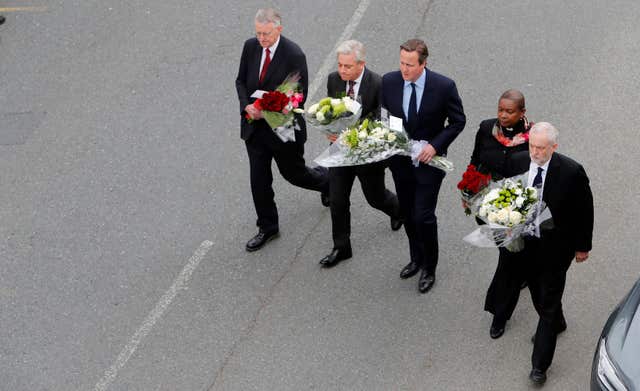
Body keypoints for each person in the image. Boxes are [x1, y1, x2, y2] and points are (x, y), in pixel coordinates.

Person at [235, 8, 330, 252]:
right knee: (259, 179)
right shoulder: (250, 47)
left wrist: (265, 107)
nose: (262, 39)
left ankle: (326, 182)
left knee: (295, 174)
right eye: (258, 33)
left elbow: (298, 95)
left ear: (279, 29)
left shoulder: (294, 54)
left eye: (266, 33)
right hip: (255, 129)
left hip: (283, 130)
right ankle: (267, 226)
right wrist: (247, 105)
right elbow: (241, 81)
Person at [510, 122, 593, 385]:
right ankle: (558, 322)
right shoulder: (518, 162)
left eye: (541, 148)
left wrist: (583, 246)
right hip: (528, 245)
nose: (535, 152)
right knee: (536, 291)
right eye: (532, 146)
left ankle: (539, 366)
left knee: (548, 300)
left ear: (554, 147)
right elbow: (505, 195)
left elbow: (585, 210)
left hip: (558, 249)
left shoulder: (571, 171)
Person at [381, 39, 466, 293]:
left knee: (424, 216)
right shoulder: (389, 81)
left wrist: (434, 146)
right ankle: (416, 257)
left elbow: (457, 121)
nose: (404, 69)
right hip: (400, 160)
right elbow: (384, 114)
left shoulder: (443, 86)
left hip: (429, 162)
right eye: (402, 63)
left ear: (423, 63)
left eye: (410, 64)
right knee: (407, 211)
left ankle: (430, 266)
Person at [318, 40, 402, 268]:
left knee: (374, 197)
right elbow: (331, 109)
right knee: (337, 199)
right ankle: (341, 247)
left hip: (367, 154)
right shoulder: (334, 80)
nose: (342, 70)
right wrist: (330, 129)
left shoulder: (378, 83)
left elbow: (382, 117)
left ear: (361, 64)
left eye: (347, 66)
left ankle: (398, 210)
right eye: (340, 65)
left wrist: (356, 133)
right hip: (341, 152)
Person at [467, 89, 532, 339]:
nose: (503, 116)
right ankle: (524, 273)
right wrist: (469, 189)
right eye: (500, 110)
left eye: (509, 111)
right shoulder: (486, 129)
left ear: (522, 113)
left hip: (515, 211)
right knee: (507, 252)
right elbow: (475, 160)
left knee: (509, 259)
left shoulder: (531, 138)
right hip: (486, 206)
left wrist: (519, 208)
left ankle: (500, 312)